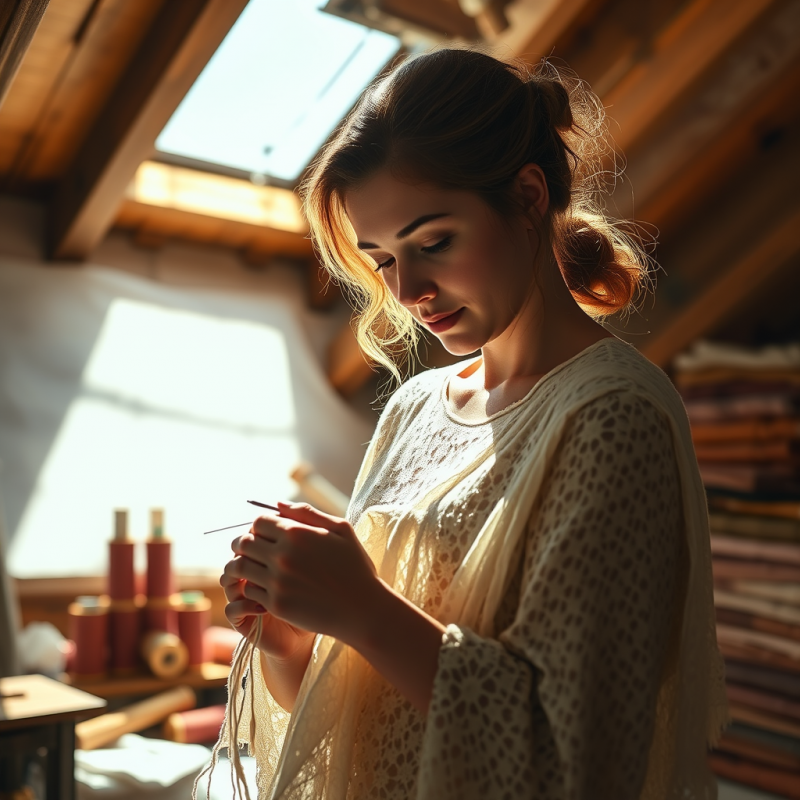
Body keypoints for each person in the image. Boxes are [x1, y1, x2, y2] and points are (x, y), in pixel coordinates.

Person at [214, 48, 728, 800]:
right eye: (383, 259)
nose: (410, 289)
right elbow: (367, 713)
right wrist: (295, 638)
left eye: (434, 242)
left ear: (526, 197)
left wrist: (359, 606)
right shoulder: (414, 409)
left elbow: (575, 760)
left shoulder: (612, 418)